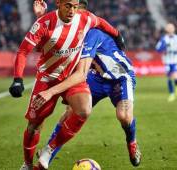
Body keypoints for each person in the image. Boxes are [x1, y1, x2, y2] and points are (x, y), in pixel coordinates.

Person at [8, 0, 123, 169]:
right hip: (47, 79)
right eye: (68, 6)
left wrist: (117, 35)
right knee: (34, 125)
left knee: (84, 110)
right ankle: (27, 164)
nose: (72, 10)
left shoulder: (84, 18)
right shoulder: (44, 23)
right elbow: (23, 51)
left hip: (71, 78)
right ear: (58, 4)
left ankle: (48, 151)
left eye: (75, 6)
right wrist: (18, 79)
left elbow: (101, 22)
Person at [32, 0, 141, 167]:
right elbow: (51, 44)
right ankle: (48, 151)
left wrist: (52, 91)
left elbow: (80, 72)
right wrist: (41, 17)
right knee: (71, 111)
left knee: (124, 117)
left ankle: (132, 143)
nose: (72, 16)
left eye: (76, 11)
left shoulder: (91, 34)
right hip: (96, 76)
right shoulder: (72, 33)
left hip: (120, 77)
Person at [156, 23, 177, 102]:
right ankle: (172, 94)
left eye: (171, 27)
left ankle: (176, 87)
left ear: (174, 29)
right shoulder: (163, 39)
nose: (170, 29)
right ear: (166, 29)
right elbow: (158, 49)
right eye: (168, 28)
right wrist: (163, 48)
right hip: (167, 61)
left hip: (176, 60)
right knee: (169, 77)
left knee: (176, 75)